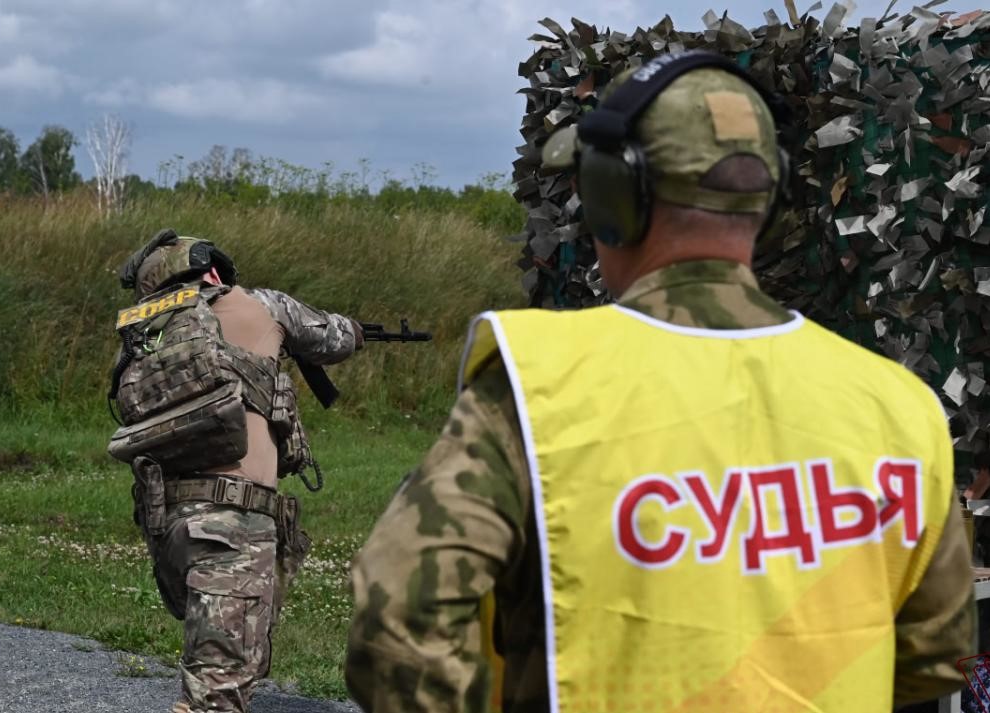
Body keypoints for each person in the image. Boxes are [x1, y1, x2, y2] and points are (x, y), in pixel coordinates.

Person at [345, 51, 975, 713]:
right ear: (769, 199)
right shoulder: (900, 406)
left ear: (612, 198)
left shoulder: (540, 385)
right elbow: (937, 654)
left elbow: (398, 623)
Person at [110, 229, 362, 713]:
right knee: (216, 698)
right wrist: (356, 330)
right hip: (234, 522)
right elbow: (335, 339)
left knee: (215, 663)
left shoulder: (143, 333)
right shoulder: (260, 304)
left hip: (168, 521)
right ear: (211, 268)